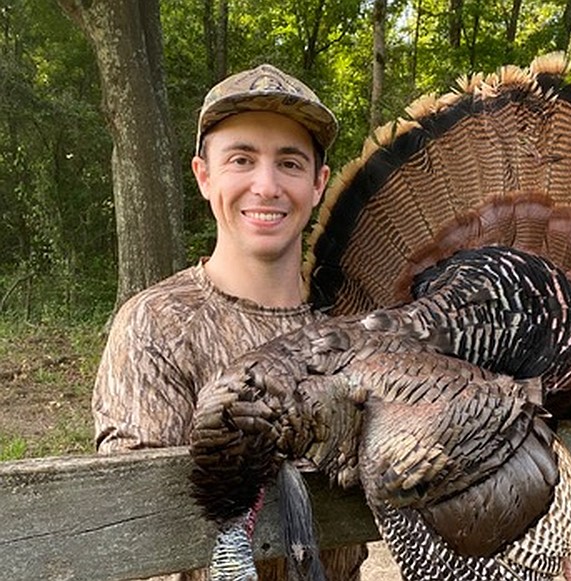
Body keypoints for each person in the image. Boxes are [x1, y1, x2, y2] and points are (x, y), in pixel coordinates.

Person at [93, 64, 367, 581]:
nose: (266, 186)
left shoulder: (353, 325)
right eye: (242, 159)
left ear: (318, 184)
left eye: (289, 163)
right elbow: (130, 530)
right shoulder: (157, 324)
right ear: (204, 175)